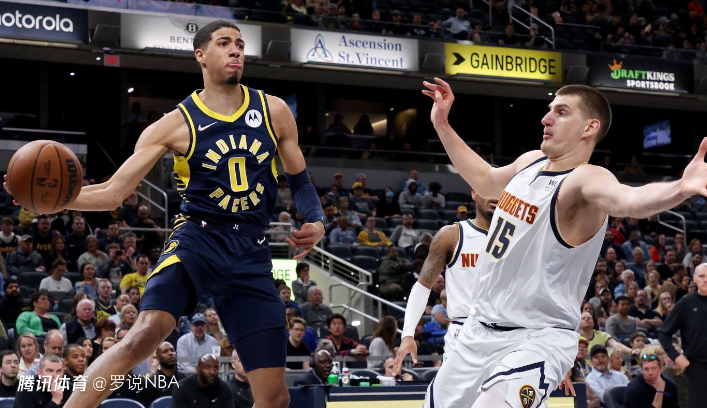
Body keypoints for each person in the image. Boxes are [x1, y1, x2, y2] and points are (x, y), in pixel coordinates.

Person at [17, 21, 323, 408]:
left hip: (251, 249)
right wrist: (53, 201)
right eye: (224, 43)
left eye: (240, 44)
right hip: (198, 239)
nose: (235, 50)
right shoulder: (174, 124)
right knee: (143, 335)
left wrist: (316, 219)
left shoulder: (273, 110)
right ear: (201, 55)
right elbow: (113, 192)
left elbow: (300, 181)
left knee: (275, 398)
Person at [410, 78, 707, 408]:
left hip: (537, 337)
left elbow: (629, 200)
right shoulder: (531, 161)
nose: (546, 118)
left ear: (589, 127)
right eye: (549, 110)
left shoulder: (585, 179)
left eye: (561, 112)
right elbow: (485, 180)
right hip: (477, 331)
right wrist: (442, 124)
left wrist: (681, 187)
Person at [396, 188, 495, 365]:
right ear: (474, 192)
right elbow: (422, 286)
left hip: (510, 334)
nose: (495, 194)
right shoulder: (452, 235)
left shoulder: (521, 236)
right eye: (489, 186)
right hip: (465, 332)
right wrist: (408, 334)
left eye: (501, 189)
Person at [658, 263, 707, 408]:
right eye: (702, 276)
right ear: (694, 279)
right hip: (697, 367)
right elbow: (663, 333)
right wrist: (676, 356)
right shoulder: (686, 303)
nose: (705, 280)